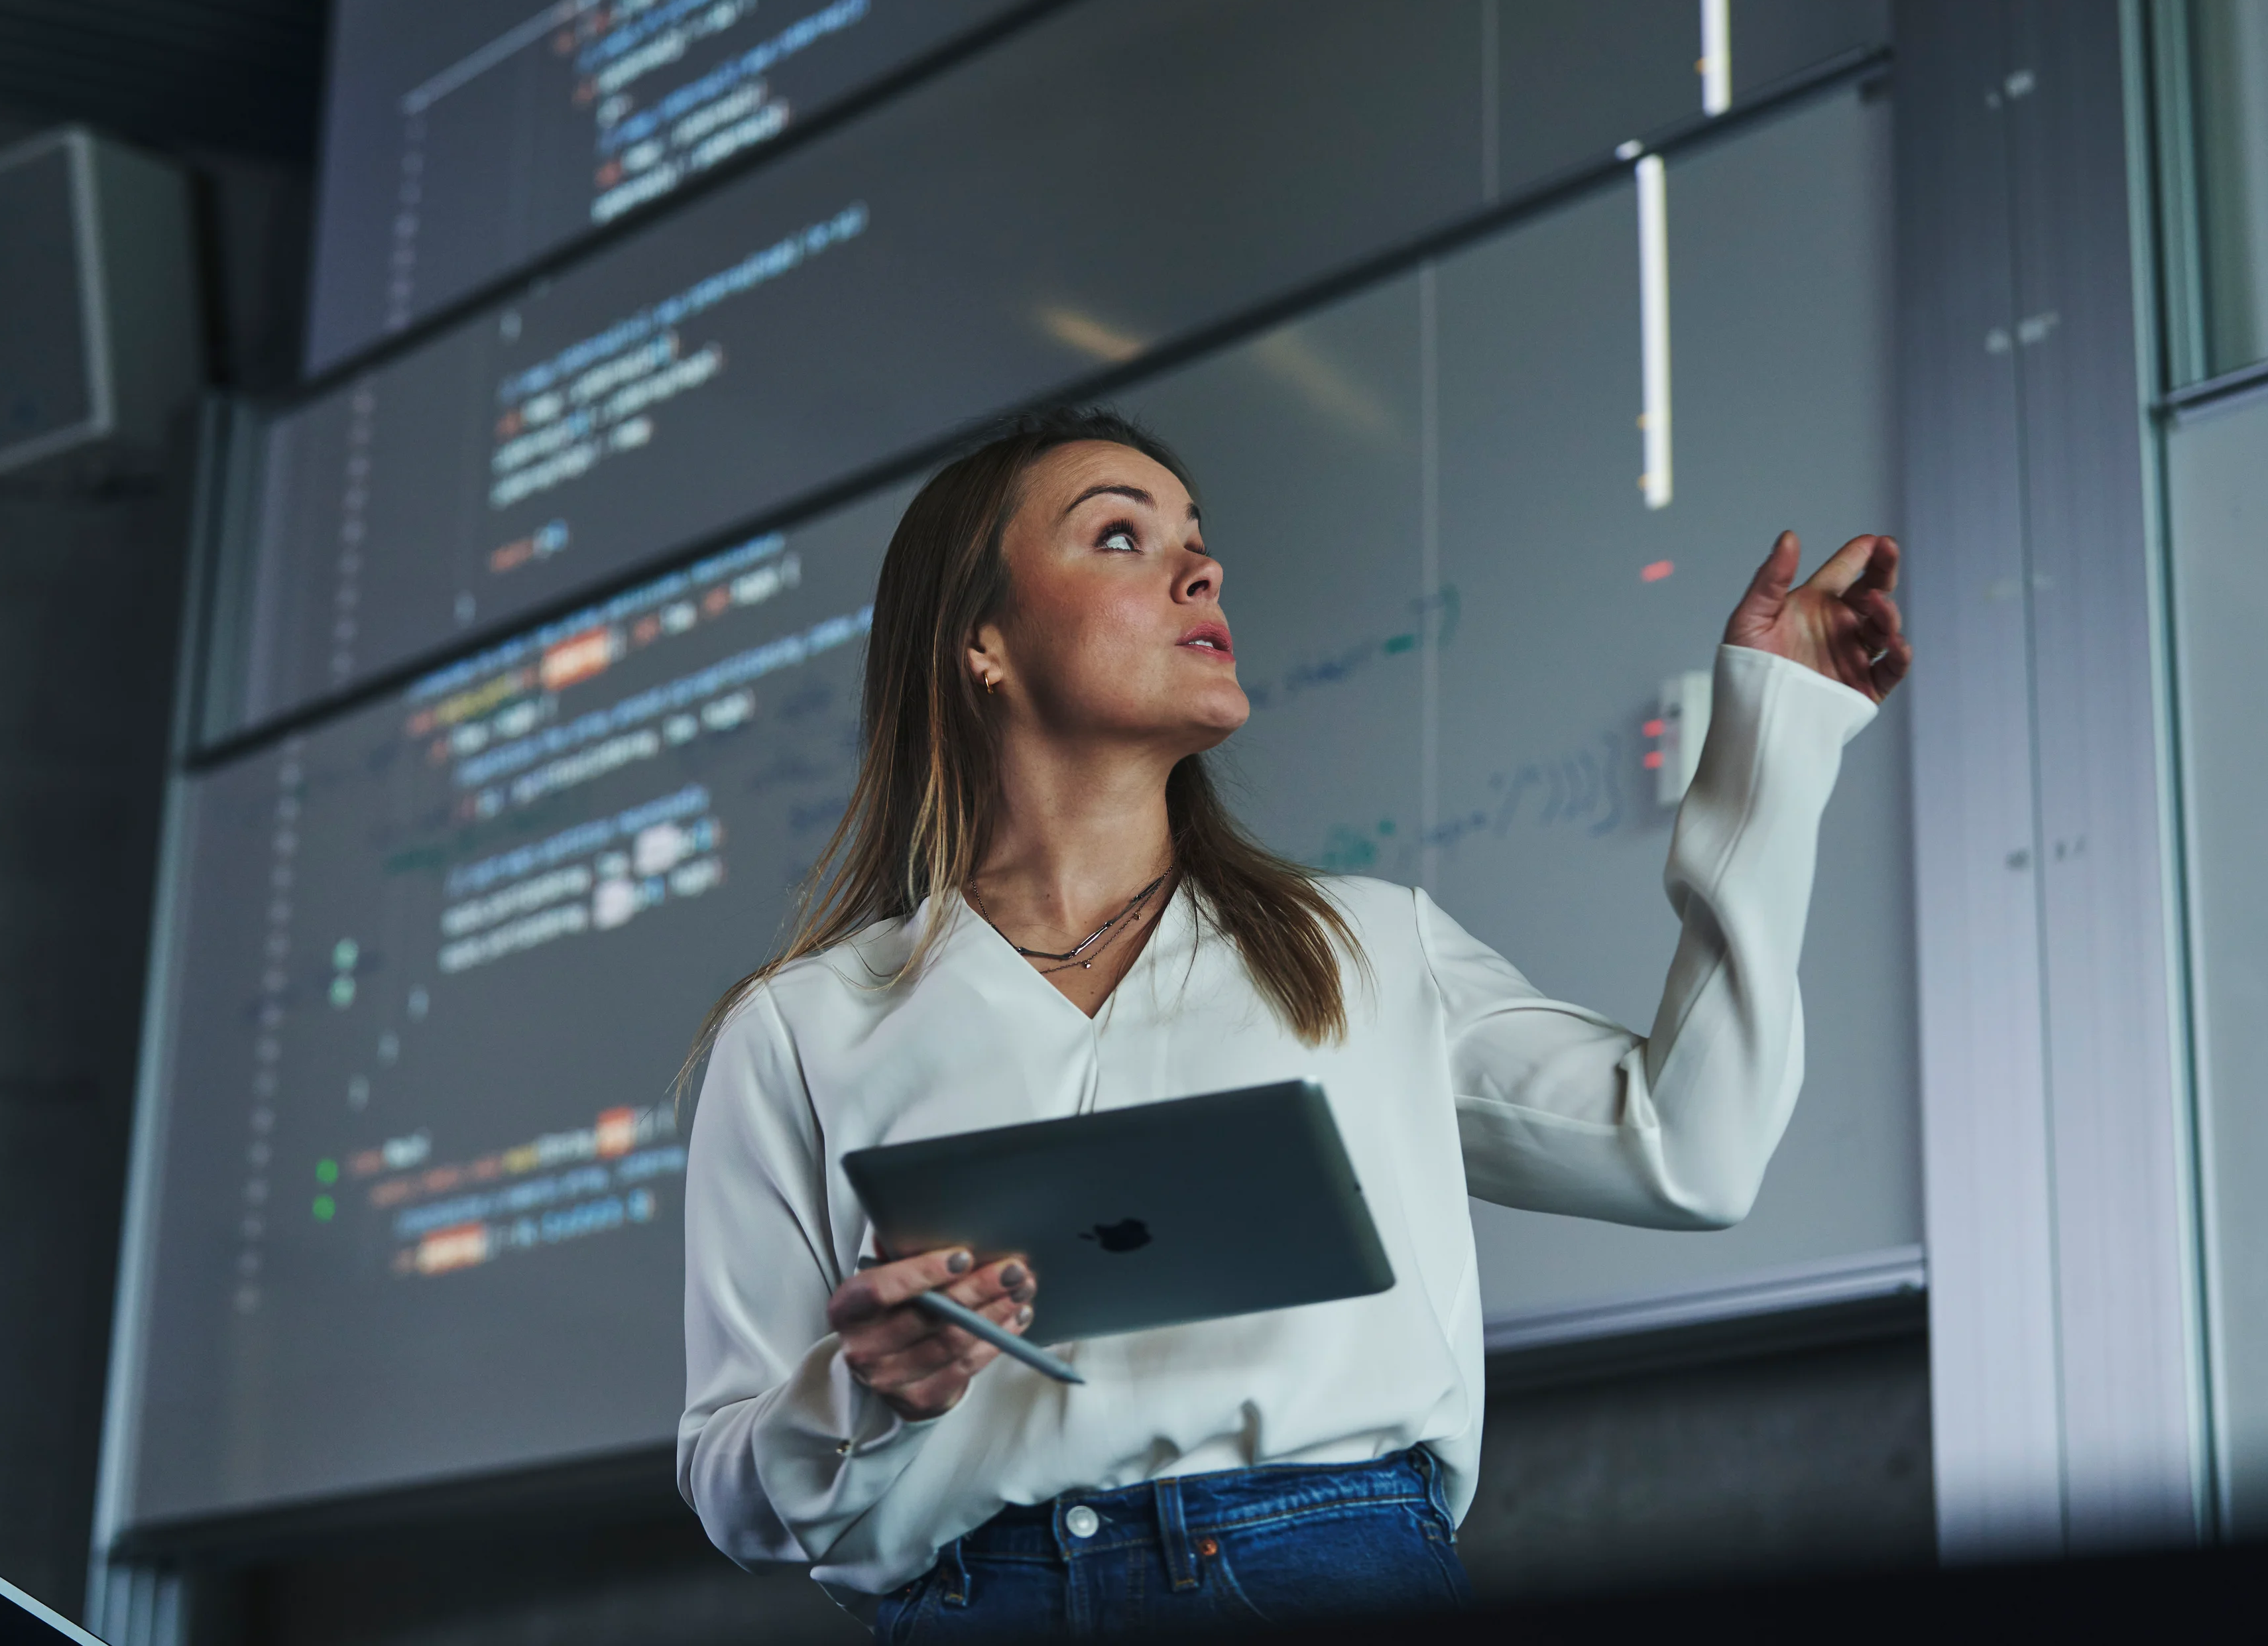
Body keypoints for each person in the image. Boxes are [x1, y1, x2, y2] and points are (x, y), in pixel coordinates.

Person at [677, 406, 1906, 1635]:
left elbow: (1691, 1148)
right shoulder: (801, 1030)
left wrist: (1775, 745)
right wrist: (865, 1390)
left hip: (1331, 1578)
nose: (1201, 570)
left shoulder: (1367, 948)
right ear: (981, 641)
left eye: (1197, 542)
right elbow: (730, 1483)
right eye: (1119, 535)